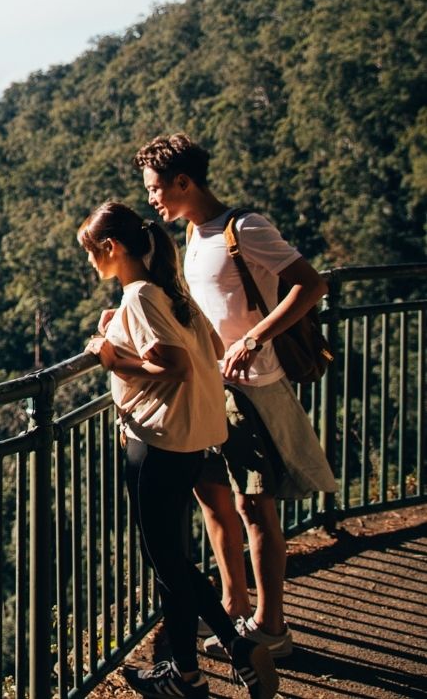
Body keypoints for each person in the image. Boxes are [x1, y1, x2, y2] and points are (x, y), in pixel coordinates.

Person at [135, 133, 337, 661]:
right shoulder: (194, 237)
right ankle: (232, 604)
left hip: (250, 390)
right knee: (214, 502)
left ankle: (271, 626)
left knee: (253, 506)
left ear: (184, 182)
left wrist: (254, 337)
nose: (153, 199)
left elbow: (310, 285)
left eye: (157, 188)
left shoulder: (243, 228)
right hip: (210, 390)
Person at [79, 201, 279, 699]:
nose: (89, 262)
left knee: (166, 563)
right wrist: (121, 327)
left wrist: (111, 357)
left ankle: (187, 675)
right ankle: (229, 649)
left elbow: (174, 365)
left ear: (113, 248)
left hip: (157, 442)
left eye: (91, 252)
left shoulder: (142, 295)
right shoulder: (171, 292)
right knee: (174, 560)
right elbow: (208, 348)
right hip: (193, 439)